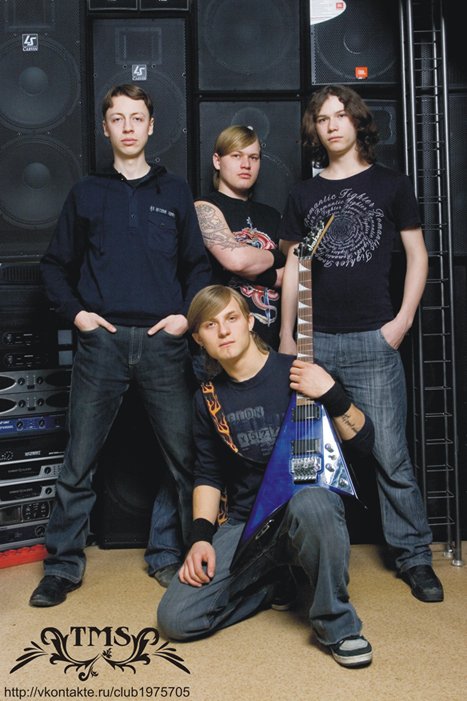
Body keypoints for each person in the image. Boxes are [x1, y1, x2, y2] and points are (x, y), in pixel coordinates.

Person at [29, 84, 212, 607]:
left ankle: (180, 558)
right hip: (102, 345)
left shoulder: (174, 192)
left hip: (164, 345)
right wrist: (79, 317)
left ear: (151, 127)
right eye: (118, 118)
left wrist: (184, 319)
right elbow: (53, 266)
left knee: (184, 459)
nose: (128, 127)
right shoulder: (87, 192)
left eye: (137, 118)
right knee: (80, 460)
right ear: (105, 127)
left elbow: (198, 266)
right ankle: (61, 567)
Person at [278, 84, 443, 603]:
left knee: (390, 454)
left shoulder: (392, 184)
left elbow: (418, 255)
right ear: (315, 130)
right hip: (315, 343)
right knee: (308, 457)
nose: (331, 125)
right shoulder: (304, 195)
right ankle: (307, 562)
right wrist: (286, 335)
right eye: (322, 118)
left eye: (340, 115)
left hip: (374, 339)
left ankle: (414, 557)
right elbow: (293, 267)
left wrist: (402, 321)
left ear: (357, 122)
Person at [157, 284, 375, 669]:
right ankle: (272, 582)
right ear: (199, 339)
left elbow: (364, 442)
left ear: (250, 321)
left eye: (231, 318)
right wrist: (200, 539)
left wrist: (332, 393)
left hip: (305, 511)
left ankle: (338, 625)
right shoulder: (207, 398)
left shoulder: (296, 372)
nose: (224, 330)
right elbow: (207, 473)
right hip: (248, 524)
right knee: (176, 619)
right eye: (210, 325)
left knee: (314, 501)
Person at [194, 125, 286, 353]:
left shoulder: (272, 215)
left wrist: (256, 263)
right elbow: (236, 260)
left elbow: (295, 274)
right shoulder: (205, 208)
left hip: (270, 345)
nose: (246, 164)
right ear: (217, 161)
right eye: (236, 156)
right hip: (222, 345)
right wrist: (278, 258)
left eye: (253, 157)